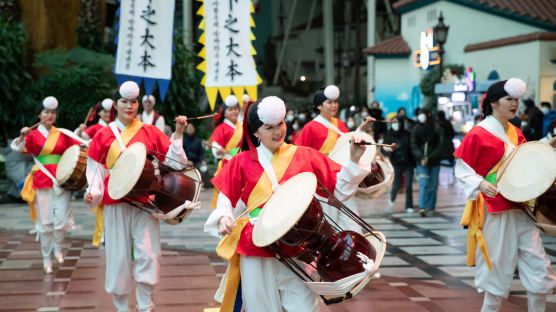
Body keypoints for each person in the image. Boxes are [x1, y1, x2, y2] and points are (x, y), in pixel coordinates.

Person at [204, 96, 371, 312]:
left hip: (296, 243)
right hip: (255, 243)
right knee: (260, 307)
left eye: (280, 124)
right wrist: (225, 216)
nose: (277, 132)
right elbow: (226, 197)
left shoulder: (303, 155)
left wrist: (353, 159)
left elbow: (338, 188)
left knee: (304, 306)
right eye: (269, 127)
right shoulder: (240, 161)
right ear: (255, 132)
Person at [84, 81, 189, 312]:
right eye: (124, 102)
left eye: (133, 102)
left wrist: (178, 134)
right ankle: (121, 307)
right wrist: (93, 192)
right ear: (116, 105)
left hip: (145, 199)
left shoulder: (149, 131)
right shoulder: (103, 134)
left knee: (148, 253)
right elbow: (95, 170)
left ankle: (145, 305)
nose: (129, 106)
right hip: (115, 200)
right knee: (117, 255)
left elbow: (173, 163)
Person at [454, 78, 556, 312]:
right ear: (493, 103)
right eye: (508, 99)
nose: (514, 104)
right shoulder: (478, 134)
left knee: (538, 266)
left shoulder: (515, 132)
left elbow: (525, 162)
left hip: (521, 208)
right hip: (495, 210)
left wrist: (545, 147)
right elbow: (462, 169)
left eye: (516, 100)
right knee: (496, 271)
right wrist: (480, 184)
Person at [11, 96, 79, 274]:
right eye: (46, 112)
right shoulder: (32, 135)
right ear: (39, 115)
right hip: (41, 180)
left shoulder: (63, 133)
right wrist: (21, 135)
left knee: (62, 220)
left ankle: (58, 248)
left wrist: (80, 133)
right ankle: (46, 258)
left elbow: (78, 148)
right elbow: (18, 147)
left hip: (61, 180)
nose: (50, 115)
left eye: (53, 112)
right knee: (45, 222)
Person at [295, 85, 374, 155]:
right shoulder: (310, 127)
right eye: (329, 102)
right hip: (320, 170)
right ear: (319, 106)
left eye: (335, 102)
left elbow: (348, 142)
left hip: (340, 168)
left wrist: (362, 127)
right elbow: (300, 153)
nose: (334, 105)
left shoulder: (339, 123)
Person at [209, 95, 243, 208]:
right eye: (230, 109)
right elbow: (216, 147)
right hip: (227, 164)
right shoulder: (221, 128)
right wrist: (219, 151)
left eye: (236, 108)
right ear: (224, 112)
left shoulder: (242, 126)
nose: (234, 111)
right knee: (227, 194)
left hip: (242, 163)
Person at [410, 107, 444, 217]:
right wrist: (421, 157)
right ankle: (422, 207)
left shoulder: (437, 128)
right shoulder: (416, 129)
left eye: (423, 114)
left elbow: (440, 145)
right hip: (422, 162)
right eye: (419, 114)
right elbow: (414, 145)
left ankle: (431, 207)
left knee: (433, 185)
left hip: (434, 162)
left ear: (429, 114)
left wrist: (430, 157)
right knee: (423, 184)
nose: (421, 116)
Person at [382, 116, 415, 213]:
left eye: (397, 122)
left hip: (408, 162)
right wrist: (387, 149)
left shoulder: (407, 134)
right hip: (396, 163)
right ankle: (392, 197)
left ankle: (409, 206)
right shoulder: (389, 135)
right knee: (396, 185)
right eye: (393, 122)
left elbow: (411, 147)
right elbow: (384, 147)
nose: (395, 124)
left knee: (408, 185)